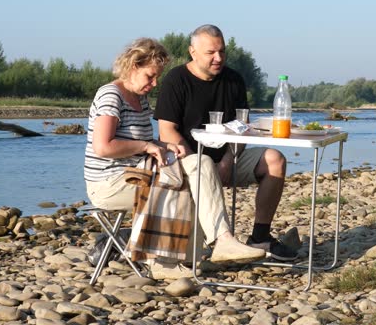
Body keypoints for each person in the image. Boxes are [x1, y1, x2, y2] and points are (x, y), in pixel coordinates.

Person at [84, 37, 265, 280]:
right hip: (109, 182)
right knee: (180, 185)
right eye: (150, 76)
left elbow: (136, 142)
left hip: (137, 172)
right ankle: (165, 263)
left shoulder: (139, 98)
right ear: (132, 66)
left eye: (157, 77)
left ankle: (219, 242)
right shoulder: (111, 95)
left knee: (200, 163)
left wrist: (163, 144)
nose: (155, 83)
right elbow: (103, 147)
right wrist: (149, 145)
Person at [155, 24, 298, 261]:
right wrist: (197, 162)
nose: (218, 58)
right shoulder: (176, 80)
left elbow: (242, 128)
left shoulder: (234, 80)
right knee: (202, 164)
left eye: (222, 51)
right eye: (211, 53)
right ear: (193, 52)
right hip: (186, 160)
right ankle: (222, 242)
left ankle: (260, 236)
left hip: (226, 157)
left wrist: (228, 161)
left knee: (274, 159)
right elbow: (166, 131)